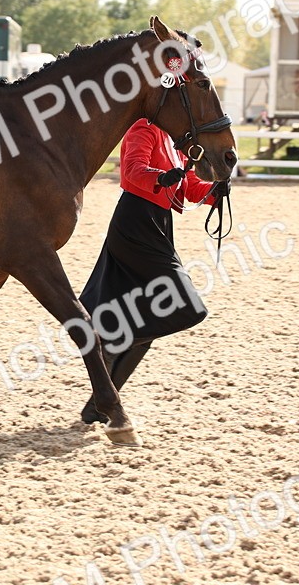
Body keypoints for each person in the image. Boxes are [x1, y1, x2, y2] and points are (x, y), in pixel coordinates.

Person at [78, 118, 222, 425]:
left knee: (150, 319)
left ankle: (99, 403)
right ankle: (113, 346)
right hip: (134, 223)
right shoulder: (141, 128)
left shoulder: (176, 141)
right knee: (185, 306)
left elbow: (189, 187)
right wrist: (162, 176)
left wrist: (215, 192)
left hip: (159, 225)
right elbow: (131, 171)